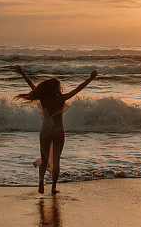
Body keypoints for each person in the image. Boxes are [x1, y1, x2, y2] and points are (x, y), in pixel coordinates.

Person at [13, 65, 98, 194]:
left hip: (45, 132)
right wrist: (90, 78)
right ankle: (53, 187)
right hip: (58, 132)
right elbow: (78, 89)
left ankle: (41, 181)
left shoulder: (43, 98)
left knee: (44, 159)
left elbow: (31, 85)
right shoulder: (61, 99)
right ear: (57, 88)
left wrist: (22, 73)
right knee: (56, 160)